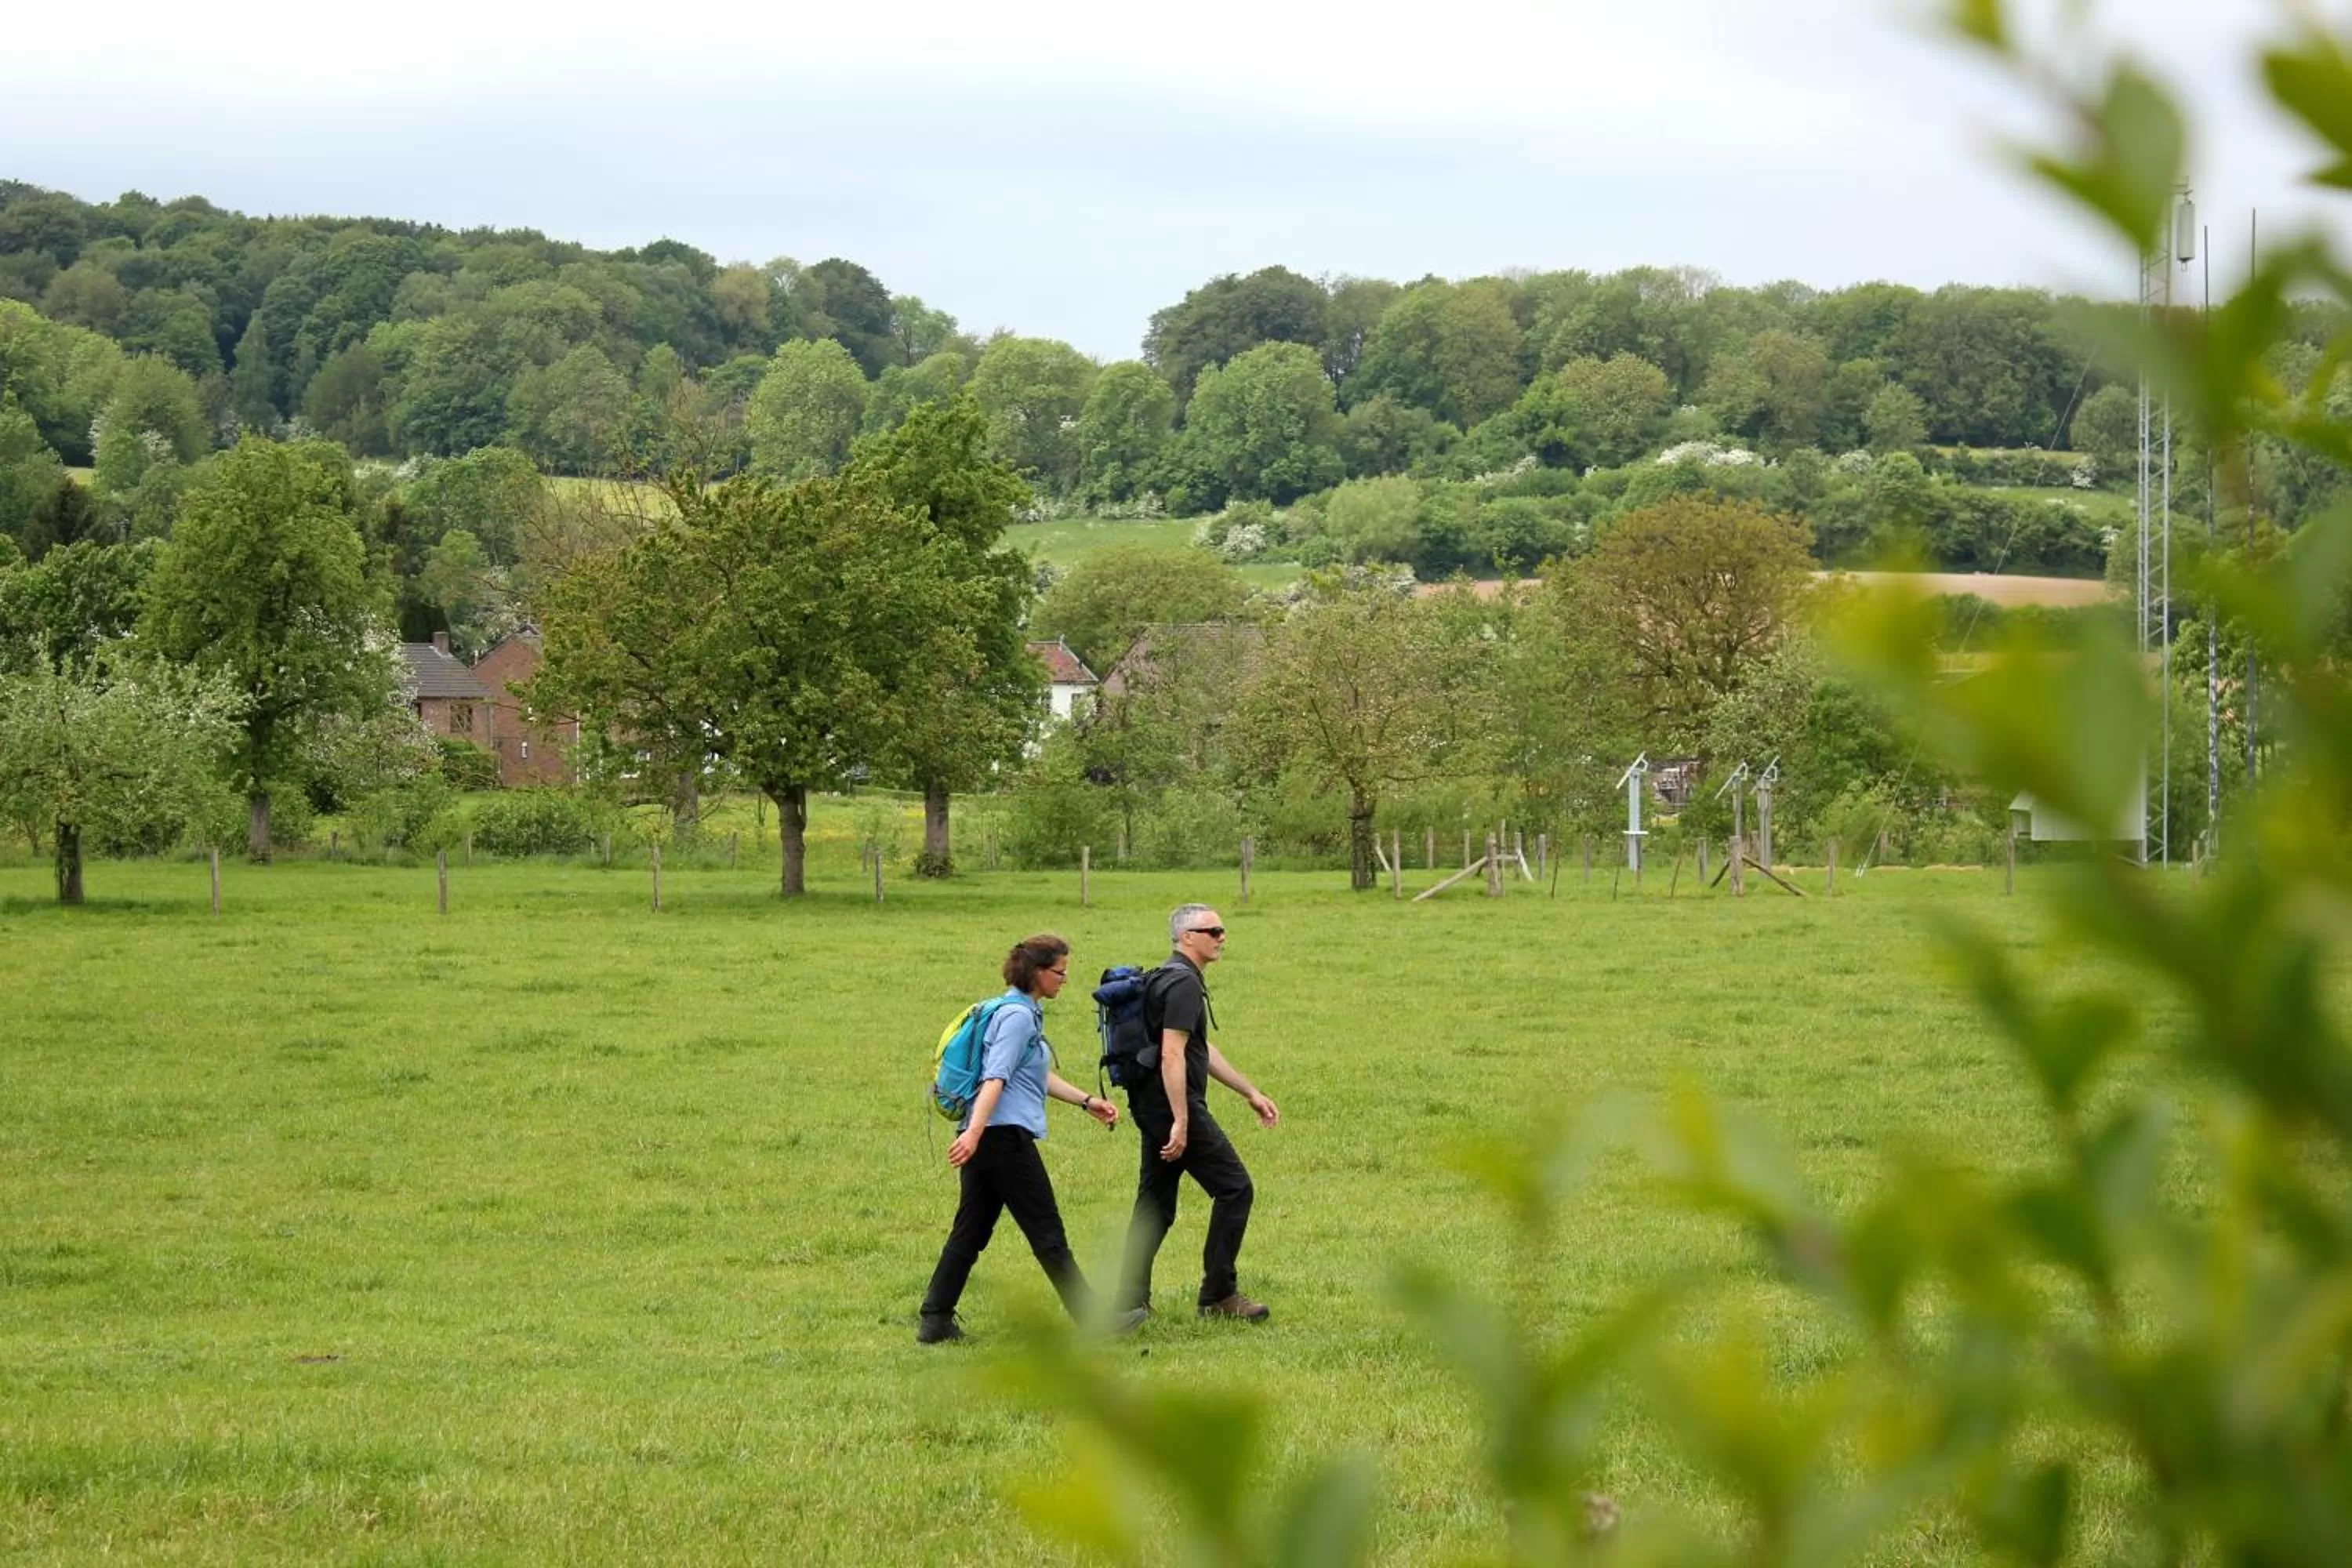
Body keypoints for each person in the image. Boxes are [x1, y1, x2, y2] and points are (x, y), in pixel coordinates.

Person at [919, 934, 1129, 1345]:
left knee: (971, 1232)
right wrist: (976, 1133)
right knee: (1047, 1233)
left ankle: (935, 1319)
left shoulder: (1015, 1010)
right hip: (1001, 1140)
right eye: (1059, 972)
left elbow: (1030, 1074)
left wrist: (1085, 1101)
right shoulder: (1017, 1017)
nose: (1065, 980)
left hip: (986, 1138)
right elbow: (995, 1076)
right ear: (1036, 973)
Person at [1118, 903, 1281, 1323]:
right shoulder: (1184, 984)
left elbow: (1198, 1050)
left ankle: (1128, 1299)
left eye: (1222, 930)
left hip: (1152, 1104)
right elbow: (1172, 1055)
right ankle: (1218, 1295)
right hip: (1172, 1104)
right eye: (1213, 931)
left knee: (1155, 1203)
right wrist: (1182, 1120)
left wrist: (1250, 1091)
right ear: (1186, 937)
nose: (1222, 937)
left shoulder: (1168, 978)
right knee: (1235, 1188)